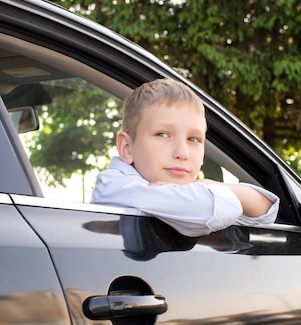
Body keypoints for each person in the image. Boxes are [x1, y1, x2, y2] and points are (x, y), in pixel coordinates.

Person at [91, 78, 279, 237]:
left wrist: (207, 185)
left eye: (194, 139)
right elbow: (220, 207)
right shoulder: (114, 187)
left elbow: (265, 209)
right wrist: (203, 189)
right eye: (163, 134)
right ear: (126, 147)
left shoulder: (185, 192)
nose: (182, 153)